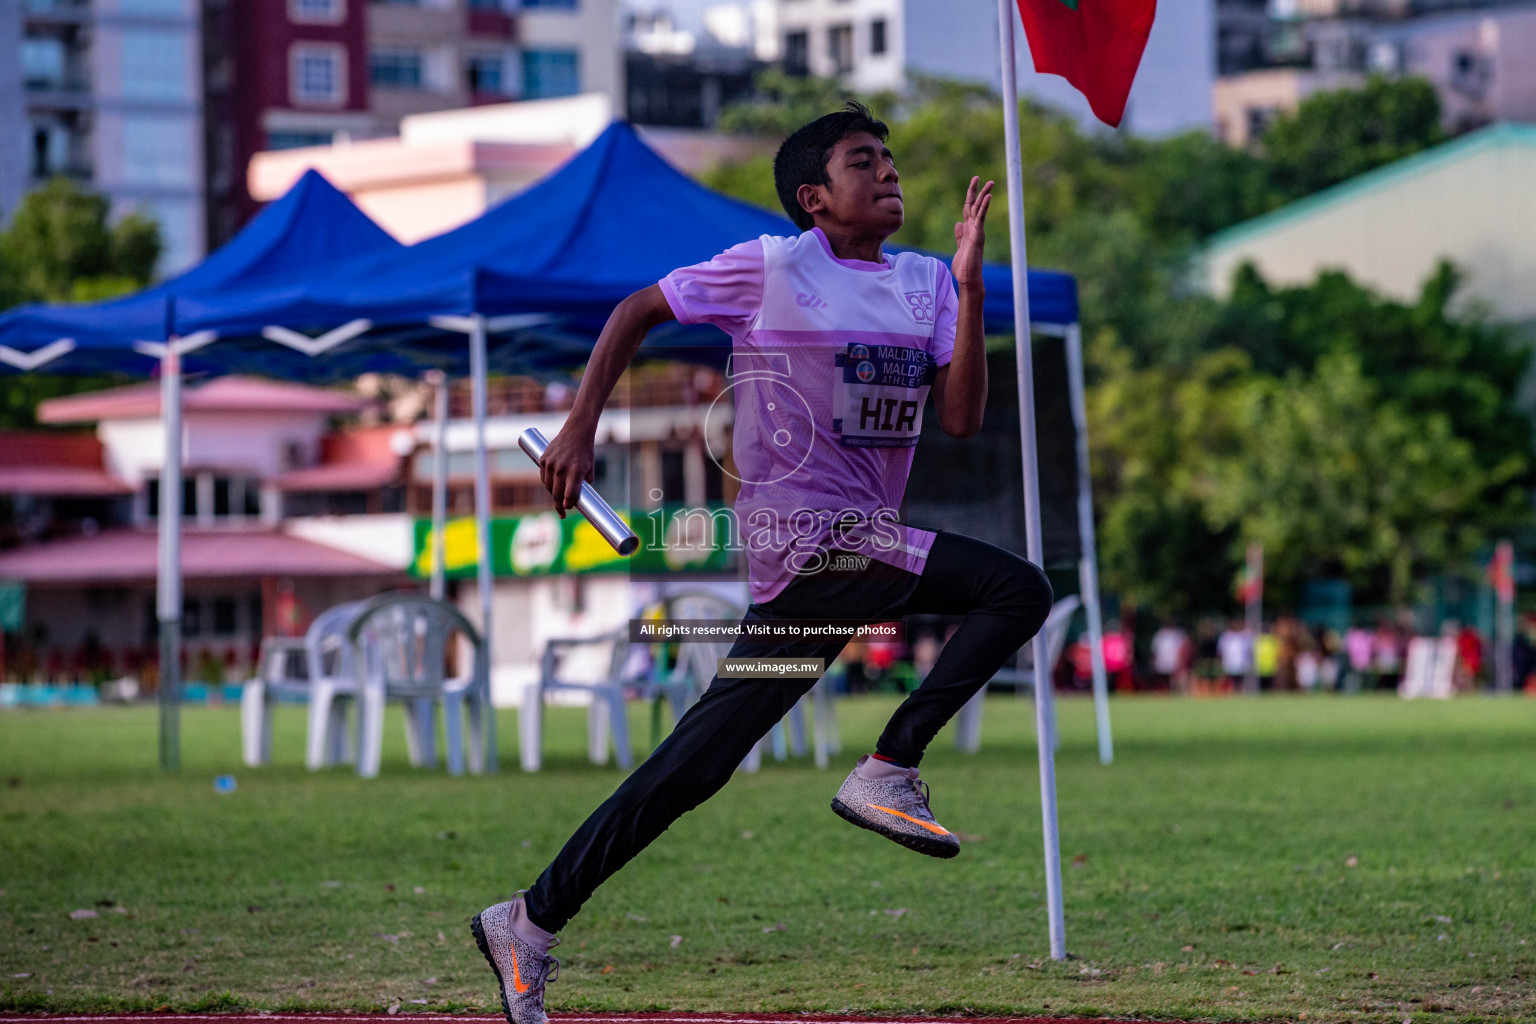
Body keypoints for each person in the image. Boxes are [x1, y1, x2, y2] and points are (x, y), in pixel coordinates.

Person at [470, 103, 1054, 1023]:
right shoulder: (770, 267)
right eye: (866, 163)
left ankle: (528, 922)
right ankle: (888, 767)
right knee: (1015, 587)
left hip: (845, 565)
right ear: (816, 199)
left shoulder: (927, 284)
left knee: (693, 769)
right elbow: (636, 311)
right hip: (806, 540)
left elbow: (961, 420)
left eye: (892, 160)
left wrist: (973, 291)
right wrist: (581, 426)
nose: (891, 174)